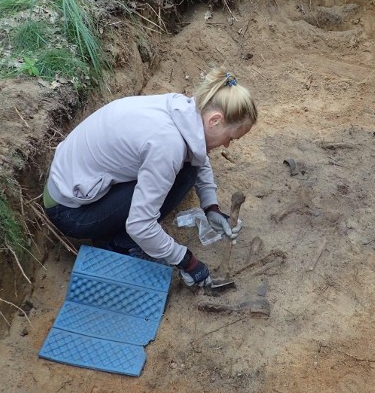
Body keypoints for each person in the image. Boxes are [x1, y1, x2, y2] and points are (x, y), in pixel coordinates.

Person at [42, 67, 257, 289]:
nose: (227, 145)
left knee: (187, 170)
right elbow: (140, 225)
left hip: (68, 183)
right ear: (214, 121)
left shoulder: (182, 108)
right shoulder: (168, 144)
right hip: (70, 212)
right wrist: (187, 261)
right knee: (178, 176)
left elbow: (198, 156)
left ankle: (117, 234)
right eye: (230, 137)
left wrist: (211, 207)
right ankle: (117, 243)